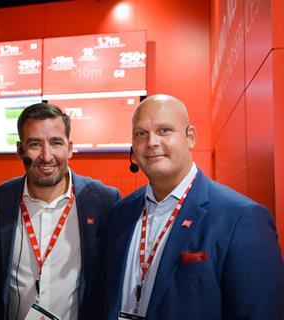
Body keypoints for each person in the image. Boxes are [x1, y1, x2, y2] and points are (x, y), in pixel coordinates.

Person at [87, 94, 284, 319]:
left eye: (164, 131)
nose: (151, 142)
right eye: (141, 133)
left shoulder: (242, 218)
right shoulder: (119, 214)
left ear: (190, 137)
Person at [0, 102, 120, 320]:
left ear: (69, 148)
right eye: (35, 144)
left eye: (56, 143)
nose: (47, 156)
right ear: (20, 150)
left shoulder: (104, 201)